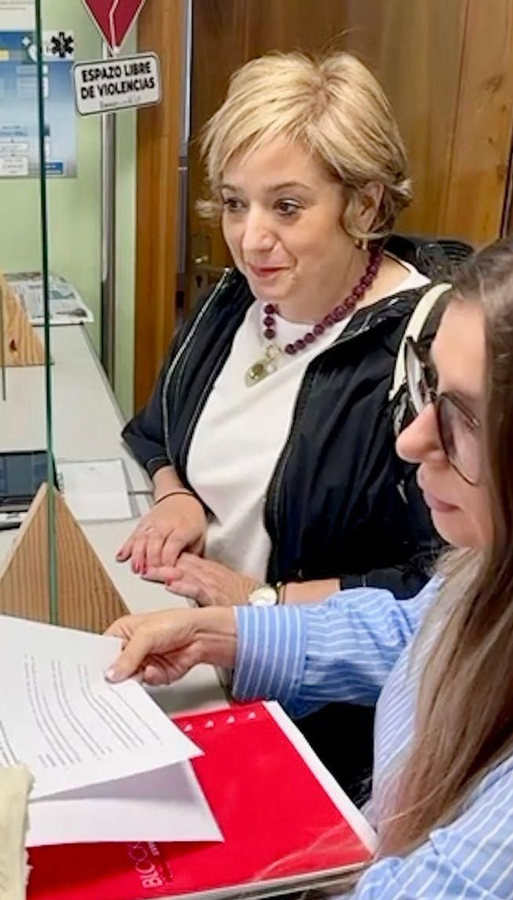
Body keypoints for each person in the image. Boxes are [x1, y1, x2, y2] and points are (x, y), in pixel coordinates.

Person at [102, 203, 513, 898]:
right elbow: (415, 630)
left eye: (463, 417)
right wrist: (227, 635)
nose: (411, 441)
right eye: (429, 389)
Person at [119, 50, 455, 611]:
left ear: (365, 207)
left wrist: (264, 601)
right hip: (200, 633)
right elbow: (155, 431)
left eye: (287, 206)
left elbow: (439, 580)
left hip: (305, 679)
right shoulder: (230, 304)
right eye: (234, 203)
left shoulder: (427, 351)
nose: (250, 240)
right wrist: (176, 496)